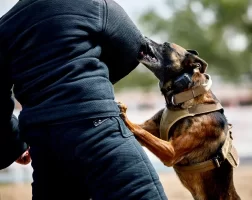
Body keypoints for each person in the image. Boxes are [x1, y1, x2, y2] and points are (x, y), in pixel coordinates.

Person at [0, 0, 168, 199]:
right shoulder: (93, 4)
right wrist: (93, 84)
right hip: (98, 131)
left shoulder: (5, 25)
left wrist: (15, 144)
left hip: (44, 144)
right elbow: (134, 47)